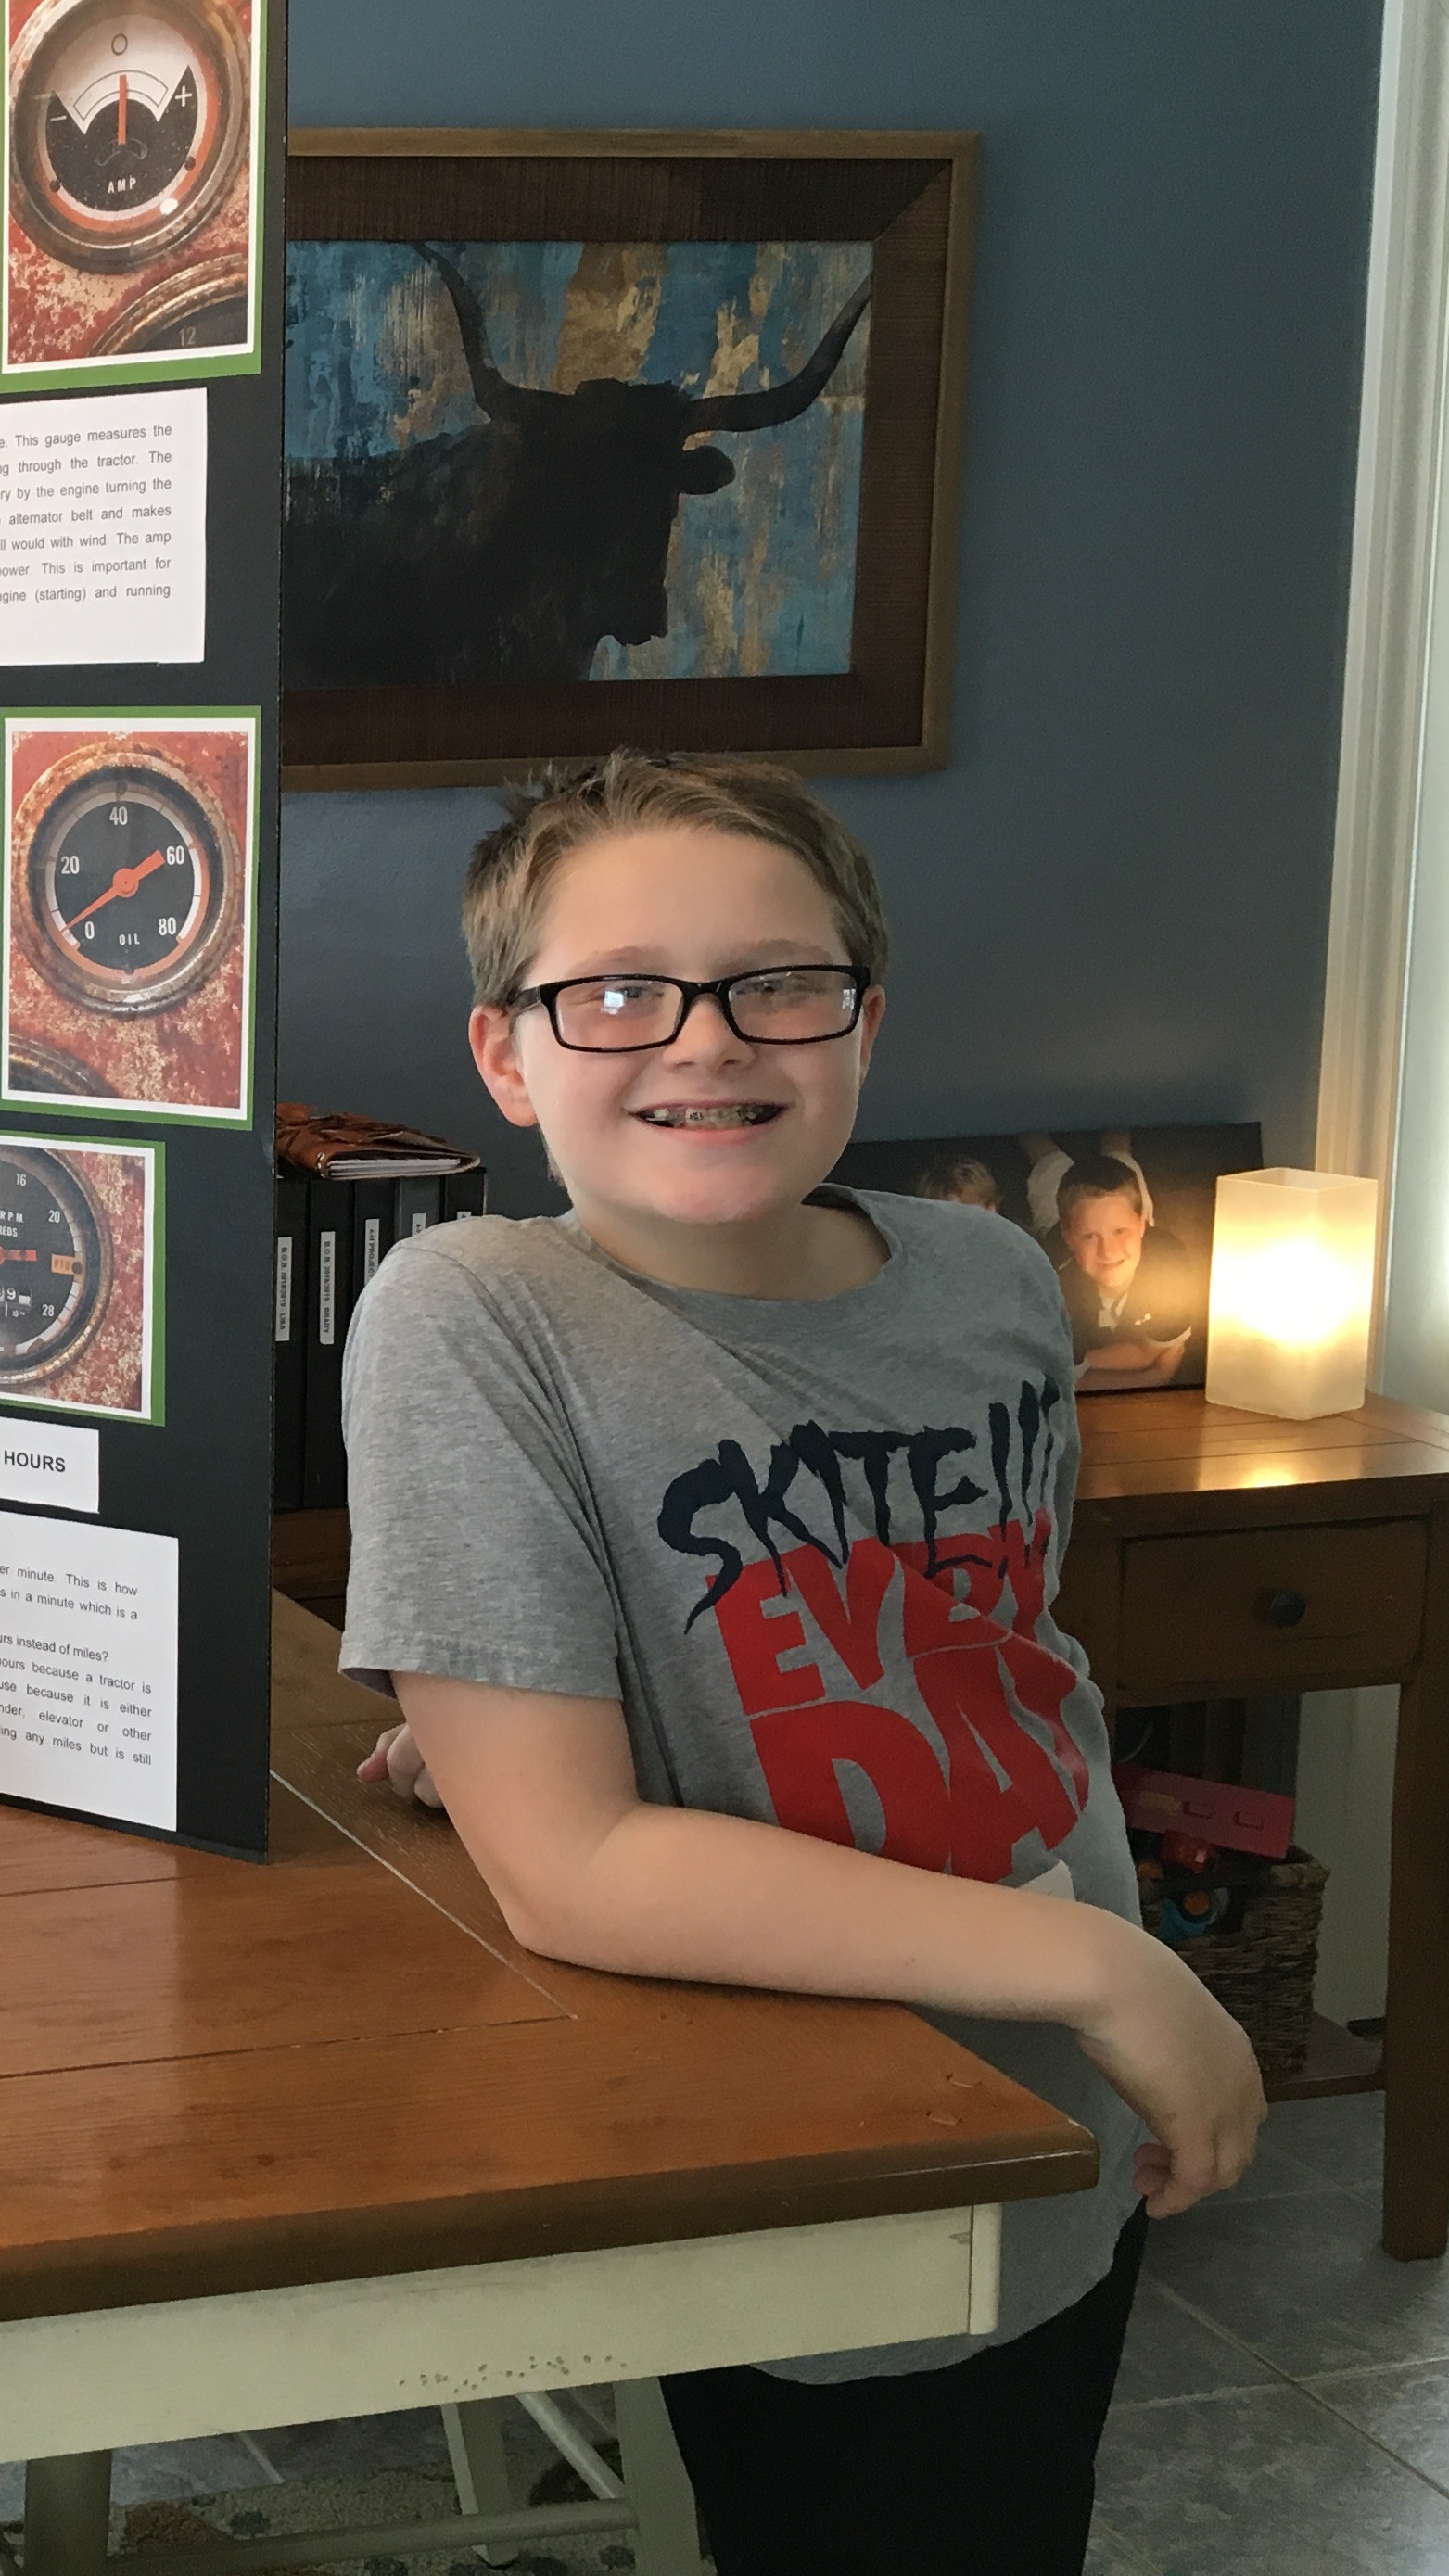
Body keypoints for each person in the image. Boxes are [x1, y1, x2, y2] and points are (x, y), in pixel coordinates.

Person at [342, 750, 1260, 2576]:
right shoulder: (473, 1319)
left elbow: (988, 1650)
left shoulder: (994, 1279)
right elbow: (576, 1868)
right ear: (507, 1055)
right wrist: (1102, 1965)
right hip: (825, 2139)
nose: (707, 1040)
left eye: (780, 981)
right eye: (613, 993)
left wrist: (536, 1718)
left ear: (862, 1021)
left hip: (1071, 2110)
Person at [1047, 1150, 1202, 1389]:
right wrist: (1154, 1377)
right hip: (1057, 1242)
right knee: (1049, 1166)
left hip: (1143, 1237)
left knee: (1121, 1156)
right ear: (1068, 1239)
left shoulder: (1170, 1265)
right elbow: (1067, 1385)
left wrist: (1087, 1360)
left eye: (1120, 1232)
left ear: (1142, 1225)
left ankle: (1118, 1141)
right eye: (1090, 1237)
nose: (1108, 1251)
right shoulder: (1052, 1284)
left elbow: (1152, 1350)